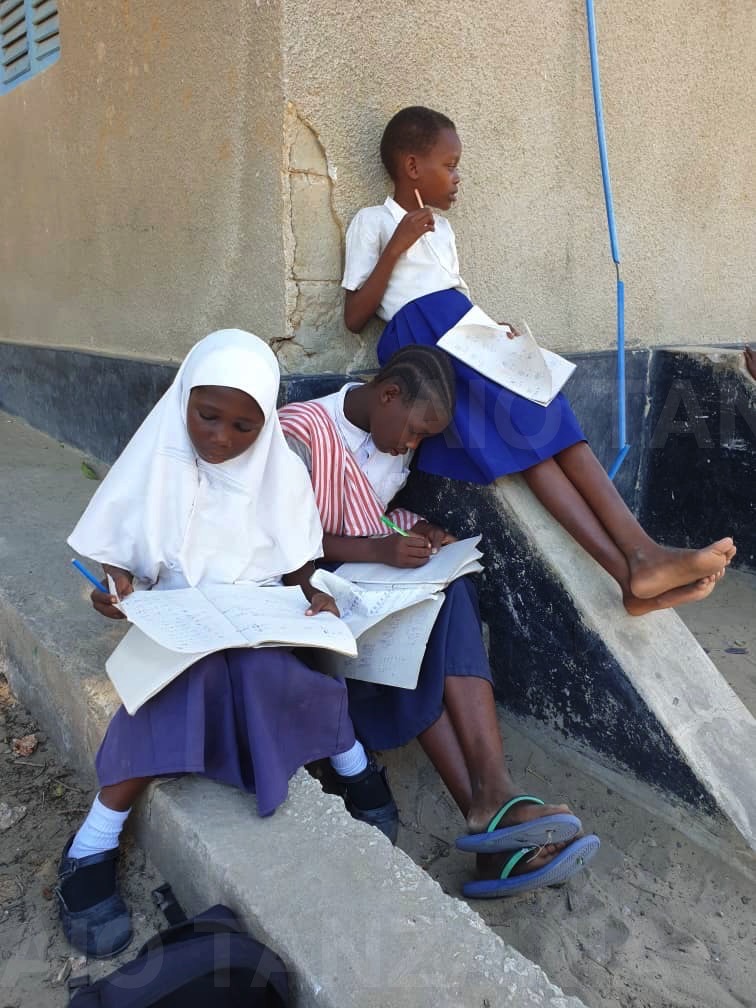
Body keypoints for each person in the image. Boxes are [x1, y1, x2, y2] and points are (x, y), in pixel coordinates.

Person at [59, 330, 397, 958]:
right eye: (207, 416)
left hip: (254, 617)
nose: (220, 438)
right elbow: (117, 561)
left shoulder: (278, 470)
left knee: (271, 673)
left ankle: (351, 762)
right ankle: (94, 841)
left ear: (265, 423)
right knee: (181, 681)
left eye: (245, 426)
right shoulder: (154, 460)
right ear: (183, 400)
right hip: (179, 621)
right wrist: (113, 589)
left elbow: (297, 562)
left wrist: (315, 594)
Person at [342, 106, 736, 617]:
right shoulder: (373, 222)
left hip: (467, 335)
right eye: (450, 165)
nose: (458, 178)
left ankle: (640, 560)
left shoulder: (443, 230)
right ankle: (634, 567)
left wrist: (492, 326)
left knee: (553, 420)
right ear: (412, 166)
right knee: (534, 444)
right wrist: (397, 246)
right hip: (429, 347)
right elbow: (355, 315)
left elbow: (454, 294)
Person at [279, 344, 600, 900]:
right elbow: (283, 542)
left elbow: (373, 514)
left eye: (422, 439)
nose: (411, 446)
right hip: (314, 594)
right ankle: (492, 817)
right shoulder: (301, 433)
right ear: (388, 395)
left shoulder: (389, 439)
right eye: (413, 431)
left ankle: (493, 798)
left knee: (454, 588)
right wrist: (380, 550)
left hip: (370, 579)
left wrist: (419, 530)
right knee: (419, 633)